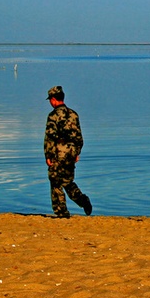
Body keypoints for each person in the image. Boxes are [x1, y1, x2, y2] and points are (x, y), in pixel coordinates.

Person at [44, 86, 92, 218]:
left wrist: (48, 155)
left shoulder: (53, 116)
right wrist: (76, 152)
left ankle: (61, 212)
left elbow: (50, 137)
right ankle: (82, 200)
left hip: (58, 152)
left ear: (53, 100)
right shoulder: (73, 114)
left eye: (50, 100)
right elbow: (79, 137)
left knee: (55, 181)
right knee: (67, 181)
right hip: (71, 152)